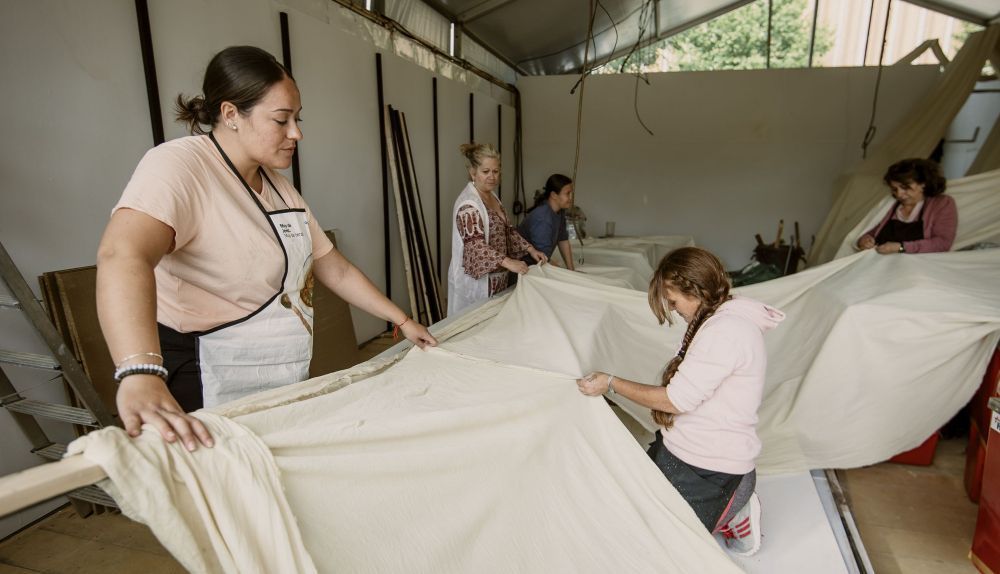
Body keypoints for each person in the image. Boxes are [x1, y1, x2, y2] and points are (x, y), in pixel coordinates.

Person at [96, 46, 436, 451]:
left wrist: (402, 320)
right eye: (281, 120)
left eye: (298, 118)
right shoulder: (181, 167)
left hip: (272, 374)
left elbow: (333, 268)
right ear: (230, 115)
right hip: (205, 378)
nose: (296, 133)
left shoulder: (278, 186)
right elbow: (123, 255)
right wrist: (139, 371)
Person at [576, 247, 784, 556]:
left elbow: (675, 400)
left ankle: (736, 507)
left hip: (712, 468)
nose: (672, 309)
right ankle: (728, 502)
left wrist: (611, 383)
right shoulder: (714, 319)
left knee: (660, 549)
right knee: (630, 514)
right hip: (682, 450)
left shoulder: (727, 331)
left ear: (694, 289)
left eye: (672, 301)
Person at [447, 143, 546, 316]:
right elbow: (476, 246)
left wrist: (530, 249)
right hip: (478, 282)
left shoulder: (492, 196)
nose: (492, 177)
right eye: (486, 172)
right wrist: (509, 262)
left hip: (498, 277)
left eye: (496, 171)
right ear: (473, 172)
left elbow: (506, 231)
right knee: (477, 324)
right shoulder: (469, 205)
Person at [856, 158, 957, 254]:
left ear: (923, 184)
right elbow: (875, 230)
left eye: (905, 188)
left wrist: (901, 247)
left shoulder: (942, 204)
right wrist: (865, 239)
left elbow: (942, 243)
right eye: (894, 189)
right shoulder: (891, 204)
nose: (899, 194)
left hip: (918, 268)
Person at [518, 174, 576, 270]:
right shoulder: (543, 217)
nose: (571, 197)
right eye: (567, 193)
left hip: (541, 263)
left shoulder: (559, 211)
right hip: (526, 268)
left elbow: (563, 240)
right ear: (554, 195)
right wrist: (566, 274)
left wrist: (571, 269)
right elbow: (542, 258)